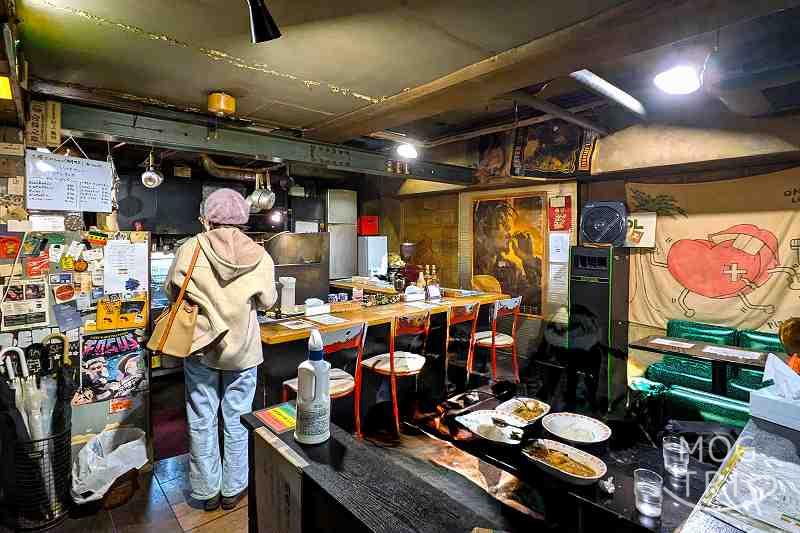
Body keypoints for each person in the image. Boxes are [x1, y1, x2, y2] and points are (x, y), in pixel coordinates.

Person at [165, 188, 277, 511]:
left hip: (201, 347)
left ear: (207, 218)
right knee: (237, 417)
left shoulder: (190, 249)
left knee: (202, 418)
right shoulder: (261, 256)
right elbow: (268, 301)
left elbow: (172, 290)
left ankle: (206, 490)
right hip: (242, 351)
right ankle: (234, 487)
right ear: (243, 218)